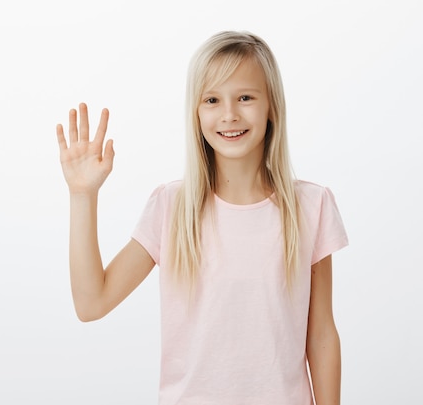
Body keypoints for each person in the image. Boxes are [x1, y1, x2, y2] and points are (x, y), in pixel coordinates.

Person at [55, 30, 348, 405]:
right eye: (212, 99)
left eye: (245, 97)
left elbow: (321, 334)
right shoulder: (171, 207)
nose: (229, 114)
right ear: (196, 112)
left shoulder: (312, 206)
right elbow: (91, 303)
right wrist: (83, 196)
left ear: (272, 105)